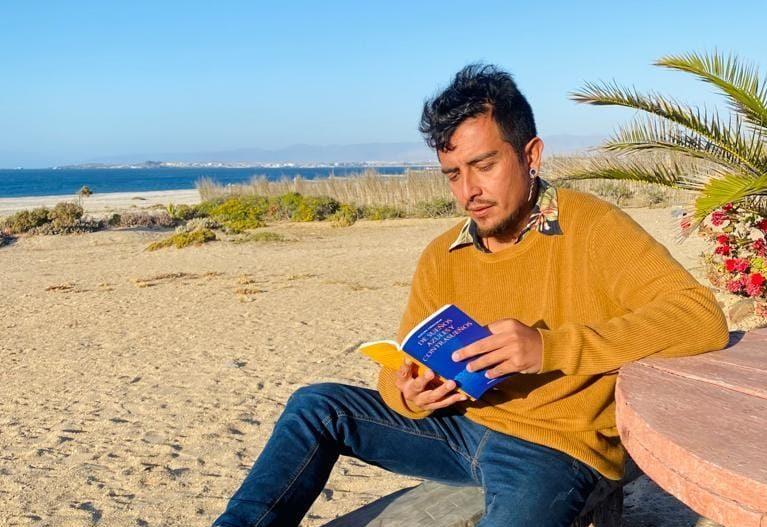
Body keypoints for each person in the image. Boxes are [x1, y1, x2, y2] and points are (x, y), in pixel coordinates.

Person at [212, 64, 730, 527]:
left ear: (531, 155)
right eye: (453, 175)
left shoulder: (592, 226)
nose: (468, 192)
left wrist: (547, 348)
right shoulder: (444, 254)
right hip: (458, 428)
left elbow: (699, 317)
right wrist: (408, 393)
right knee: (315, 406)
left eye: (484, 165)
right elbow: (400, 363)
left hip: (555, 447)